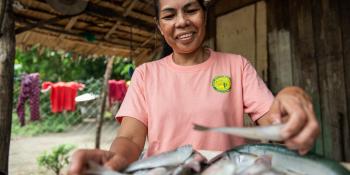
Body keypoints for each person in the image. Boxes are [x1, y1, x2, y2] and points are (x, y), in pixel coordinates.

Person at [68, 0, 320, 174]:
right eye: (169, 15)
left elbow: (274, 122)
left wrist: (291, 96)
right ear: (159, 25)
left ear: (204, 14)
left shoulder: (236, 66)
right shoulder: (146, 74)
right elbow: (130, 138)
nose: (182, 22)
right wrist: (116, 160)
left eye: (191, 10)